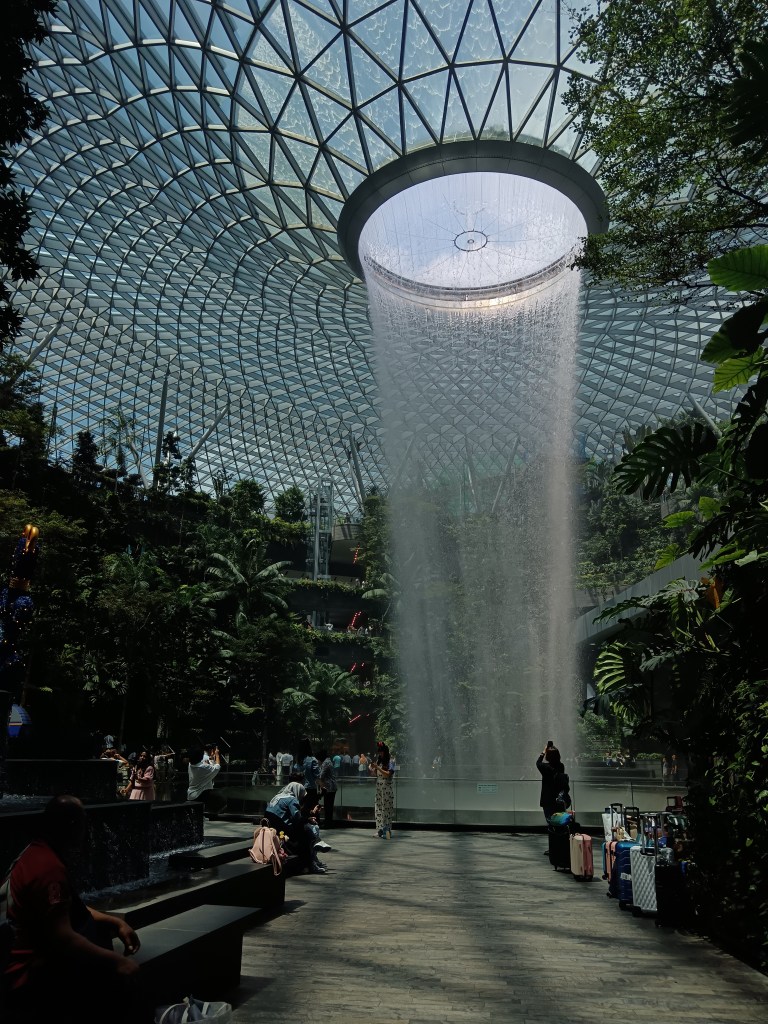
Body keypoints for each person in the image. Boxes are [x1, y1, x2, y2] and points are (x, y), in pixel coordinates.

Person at [1, 795, 146, 1024]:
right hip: (26, 975)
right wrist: (118, 962)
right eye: (83, 823)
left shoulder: (34, 852)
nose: (86, 831)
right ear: (71, 826)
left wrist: (115, 921)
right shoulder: (48, 869)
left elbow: (62, 908)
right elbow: (62, 938)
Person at [264, 782, 325, 874]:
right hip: (283, 829)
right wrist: (308, 820)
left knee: (305, 828)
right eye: (301, 794)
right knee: (306, 833)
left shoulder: (277, 797)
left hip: (273, 827)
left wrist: (307, 818)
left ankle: (315, 848)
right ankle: (310, 863)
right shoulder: (292, 799)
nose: (301, 797)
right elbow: (297, 818)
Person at [187, 744, 226, 819]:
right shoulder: (203, 767)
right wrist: (217, 755)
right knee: (221, 800)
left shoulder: (190, 765)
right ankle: (212, 814)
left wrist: (211, 759)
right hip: (200, 795)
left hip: (191, 794)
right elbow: (217, 767)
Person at [536, 742, 569, 825]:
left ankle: (553, 836)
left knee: (551, 822)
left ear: (547, 756)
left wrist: (544, 750)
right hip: (559, 798)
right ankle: (561, 837)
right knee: (560, 821)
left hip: (547, 799)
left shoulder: (544, 767)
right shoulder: (561, 766)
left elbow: (538, 762)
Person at [369, 741, 394, 839]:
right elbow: (375, 774)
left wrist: (378, 768)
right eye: (379, 752)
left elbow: (388, 774)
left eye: (381, 751)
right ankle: (380, 830)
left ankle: (387, 832)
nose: (380, 753)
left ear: (385, 751)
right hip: (379, 787)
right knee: (378, 808)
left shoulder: (391, 761)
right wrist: (372, 769)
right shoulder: (379, 760)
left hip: (386, 787)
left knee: (386, 809)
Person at [317, 749, 337, 828]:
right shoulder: (329, 761)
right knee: (329, 806)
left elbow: (321, 775)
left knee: (327, 805)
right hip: (332, 786)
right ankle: (329, 822)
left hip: (329, 787)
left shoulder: (325, 763)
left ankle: (327, 823)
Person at [299, 738, 320, 808]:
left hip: (301, 788)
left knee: (304, 809)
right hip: (311, 788)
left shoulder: (300, 760)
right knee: (313, 809)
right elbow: (318, 775)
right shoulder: (312, 760)